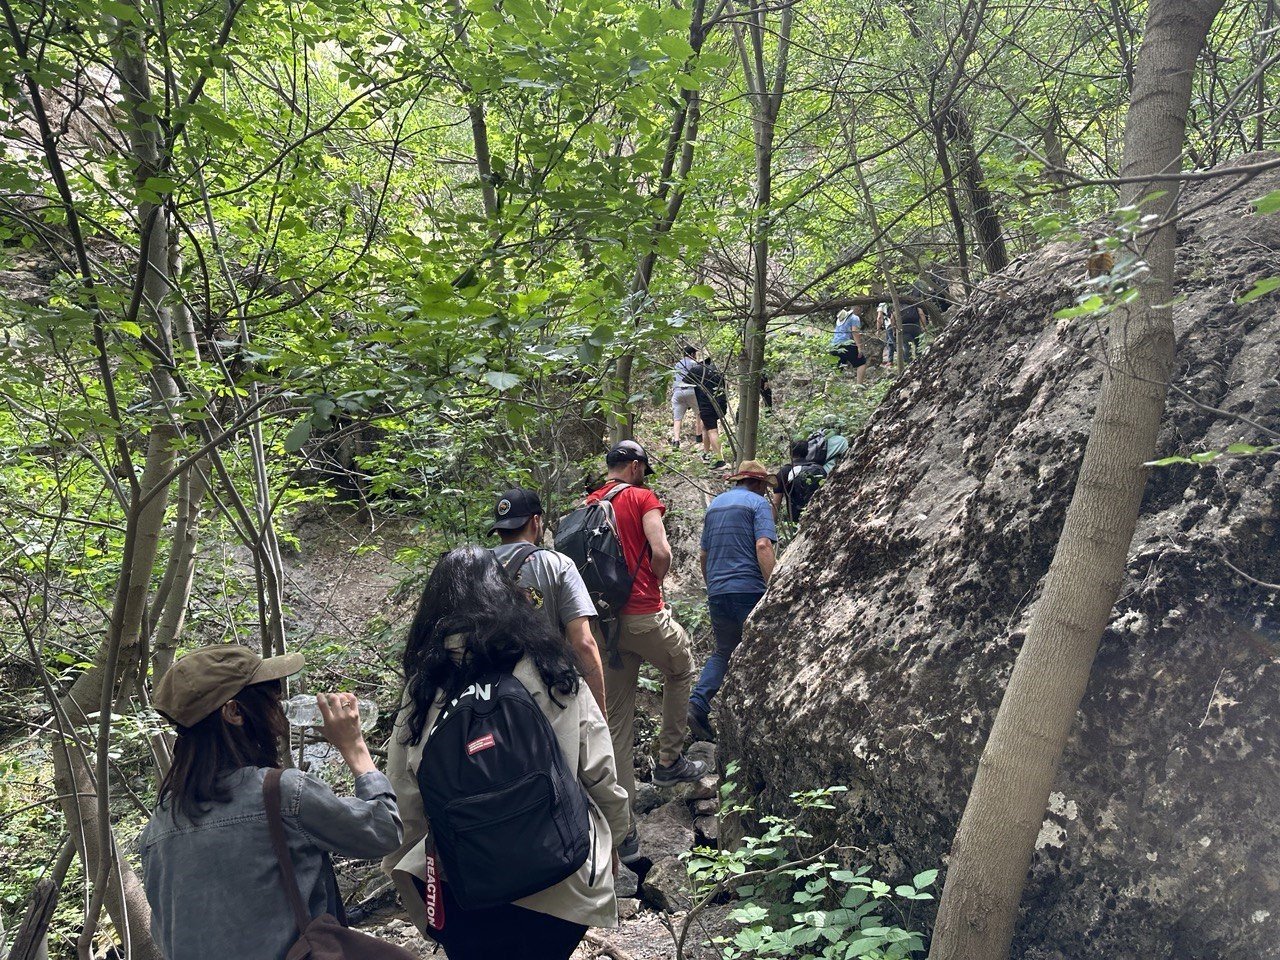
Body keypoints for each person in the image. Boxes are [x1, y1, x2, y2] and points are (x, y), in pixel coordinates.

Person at [383, 547, 630, 960]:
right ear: (507, 595)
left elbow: (404, 803)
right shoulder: (550, 666)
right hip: (561, 880)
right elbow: (599, 771)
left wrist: (413, 884)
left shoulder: (423, 690)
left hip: (468, 893)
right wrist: (614, 840)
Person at [140, 645, 403, 960]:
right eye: (272, 699)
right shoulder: (282, 793)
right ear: (234, 712)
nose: (279, 710)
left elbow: (166, 933)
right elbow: (384, 831)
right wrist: (355, 747)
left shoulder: (157, 828)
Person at [587, 440, 706, 858]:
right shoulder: (642, 497)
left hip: (605, 625)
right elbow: (662, 551)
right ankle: (669, 761)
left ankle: (625, 831)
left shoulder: (588, 504)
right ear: (635, 467)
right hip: (642, 613)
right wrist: (654, 583)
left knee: (616, 723)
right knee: (681, 667)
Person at [488, 486, 606, 714]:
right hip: (549, 692)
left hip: (493, 694)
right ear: (535, 521)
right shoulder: (558, 565)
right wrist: (600, 712)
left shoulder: (478, 567)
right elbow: (583, 643)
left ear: (499, 529)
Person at [687, 461, 777, 742]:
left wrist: (713, 586)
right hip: (749, 589)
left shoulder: (715, 505)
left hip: (718, 591)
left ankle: (698, 702)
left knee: (724, 651)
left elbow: (703, 554)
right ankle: (759, 719)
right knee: (763, 651)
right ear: (759, 484)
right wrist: (774, 587)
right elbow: (763, 545)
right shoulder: (758, 504)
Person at [687, 356, 727, 468]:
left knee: (712, 430)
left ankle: (720, 459)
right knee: (706, 427)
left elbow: (686, 382)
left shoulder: (696, 370)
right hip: (720, 403)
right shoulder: (716, 369)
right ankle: (706, 454)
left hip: (706, 404)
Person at [773, 439, 826, 522]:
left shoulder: (785, 470)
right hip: (818, 516)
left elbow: (776, 503)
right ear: (807, 452)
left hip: (796, 519)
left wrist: (771, 524)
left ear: (790, 452)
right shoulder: (819, 469)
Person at [671, 345, 699, 447]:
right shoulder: (694, 364)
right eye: (695, 354)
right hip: (691, 390)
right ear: (692, 354)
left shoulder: (677, 365)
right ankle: (699, 436)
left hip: (677, 392)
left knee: (677, 418)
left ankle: (676, 441)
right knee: (699, 413)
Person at [829, 307, 866, 385]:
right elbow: (855, 332)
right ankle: (859, 387)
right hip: (846, 344)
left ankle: (827, 389)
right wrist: (859, 347)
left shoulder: (840, 319)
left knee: (835, 369)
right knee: (861, 363)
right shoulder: (855, 318)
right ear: (857, 309)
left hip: (834, 346)